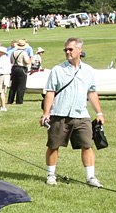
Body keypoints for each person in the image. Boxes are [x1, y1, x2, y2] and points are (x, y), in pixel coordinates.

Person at [41, 37, 105, 187]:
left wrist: (99, 113)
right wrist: (46, 113)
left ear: (80, 50)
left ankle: (91, 178)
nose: (68, 52)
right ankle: (51, 175)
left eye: (70, 49)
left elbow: (92, 93)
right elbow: (50, 92)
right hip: (60, 113)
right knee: (53, 145)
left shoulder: (88, 70)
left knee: (87, 145)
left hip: (81, 114)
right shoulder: (58, 69)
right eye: (66, 50)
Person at [8, 39, 31, 105]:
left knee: (13, 85)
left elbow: (11, 61)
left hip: (14, 68)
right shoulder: (24, 53)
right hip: (22, 68)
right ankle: (19, 101)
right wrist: (29, 61)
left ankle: (10, 100)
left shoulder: (13, 52)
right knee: (21, 86)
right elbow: (26, 61)